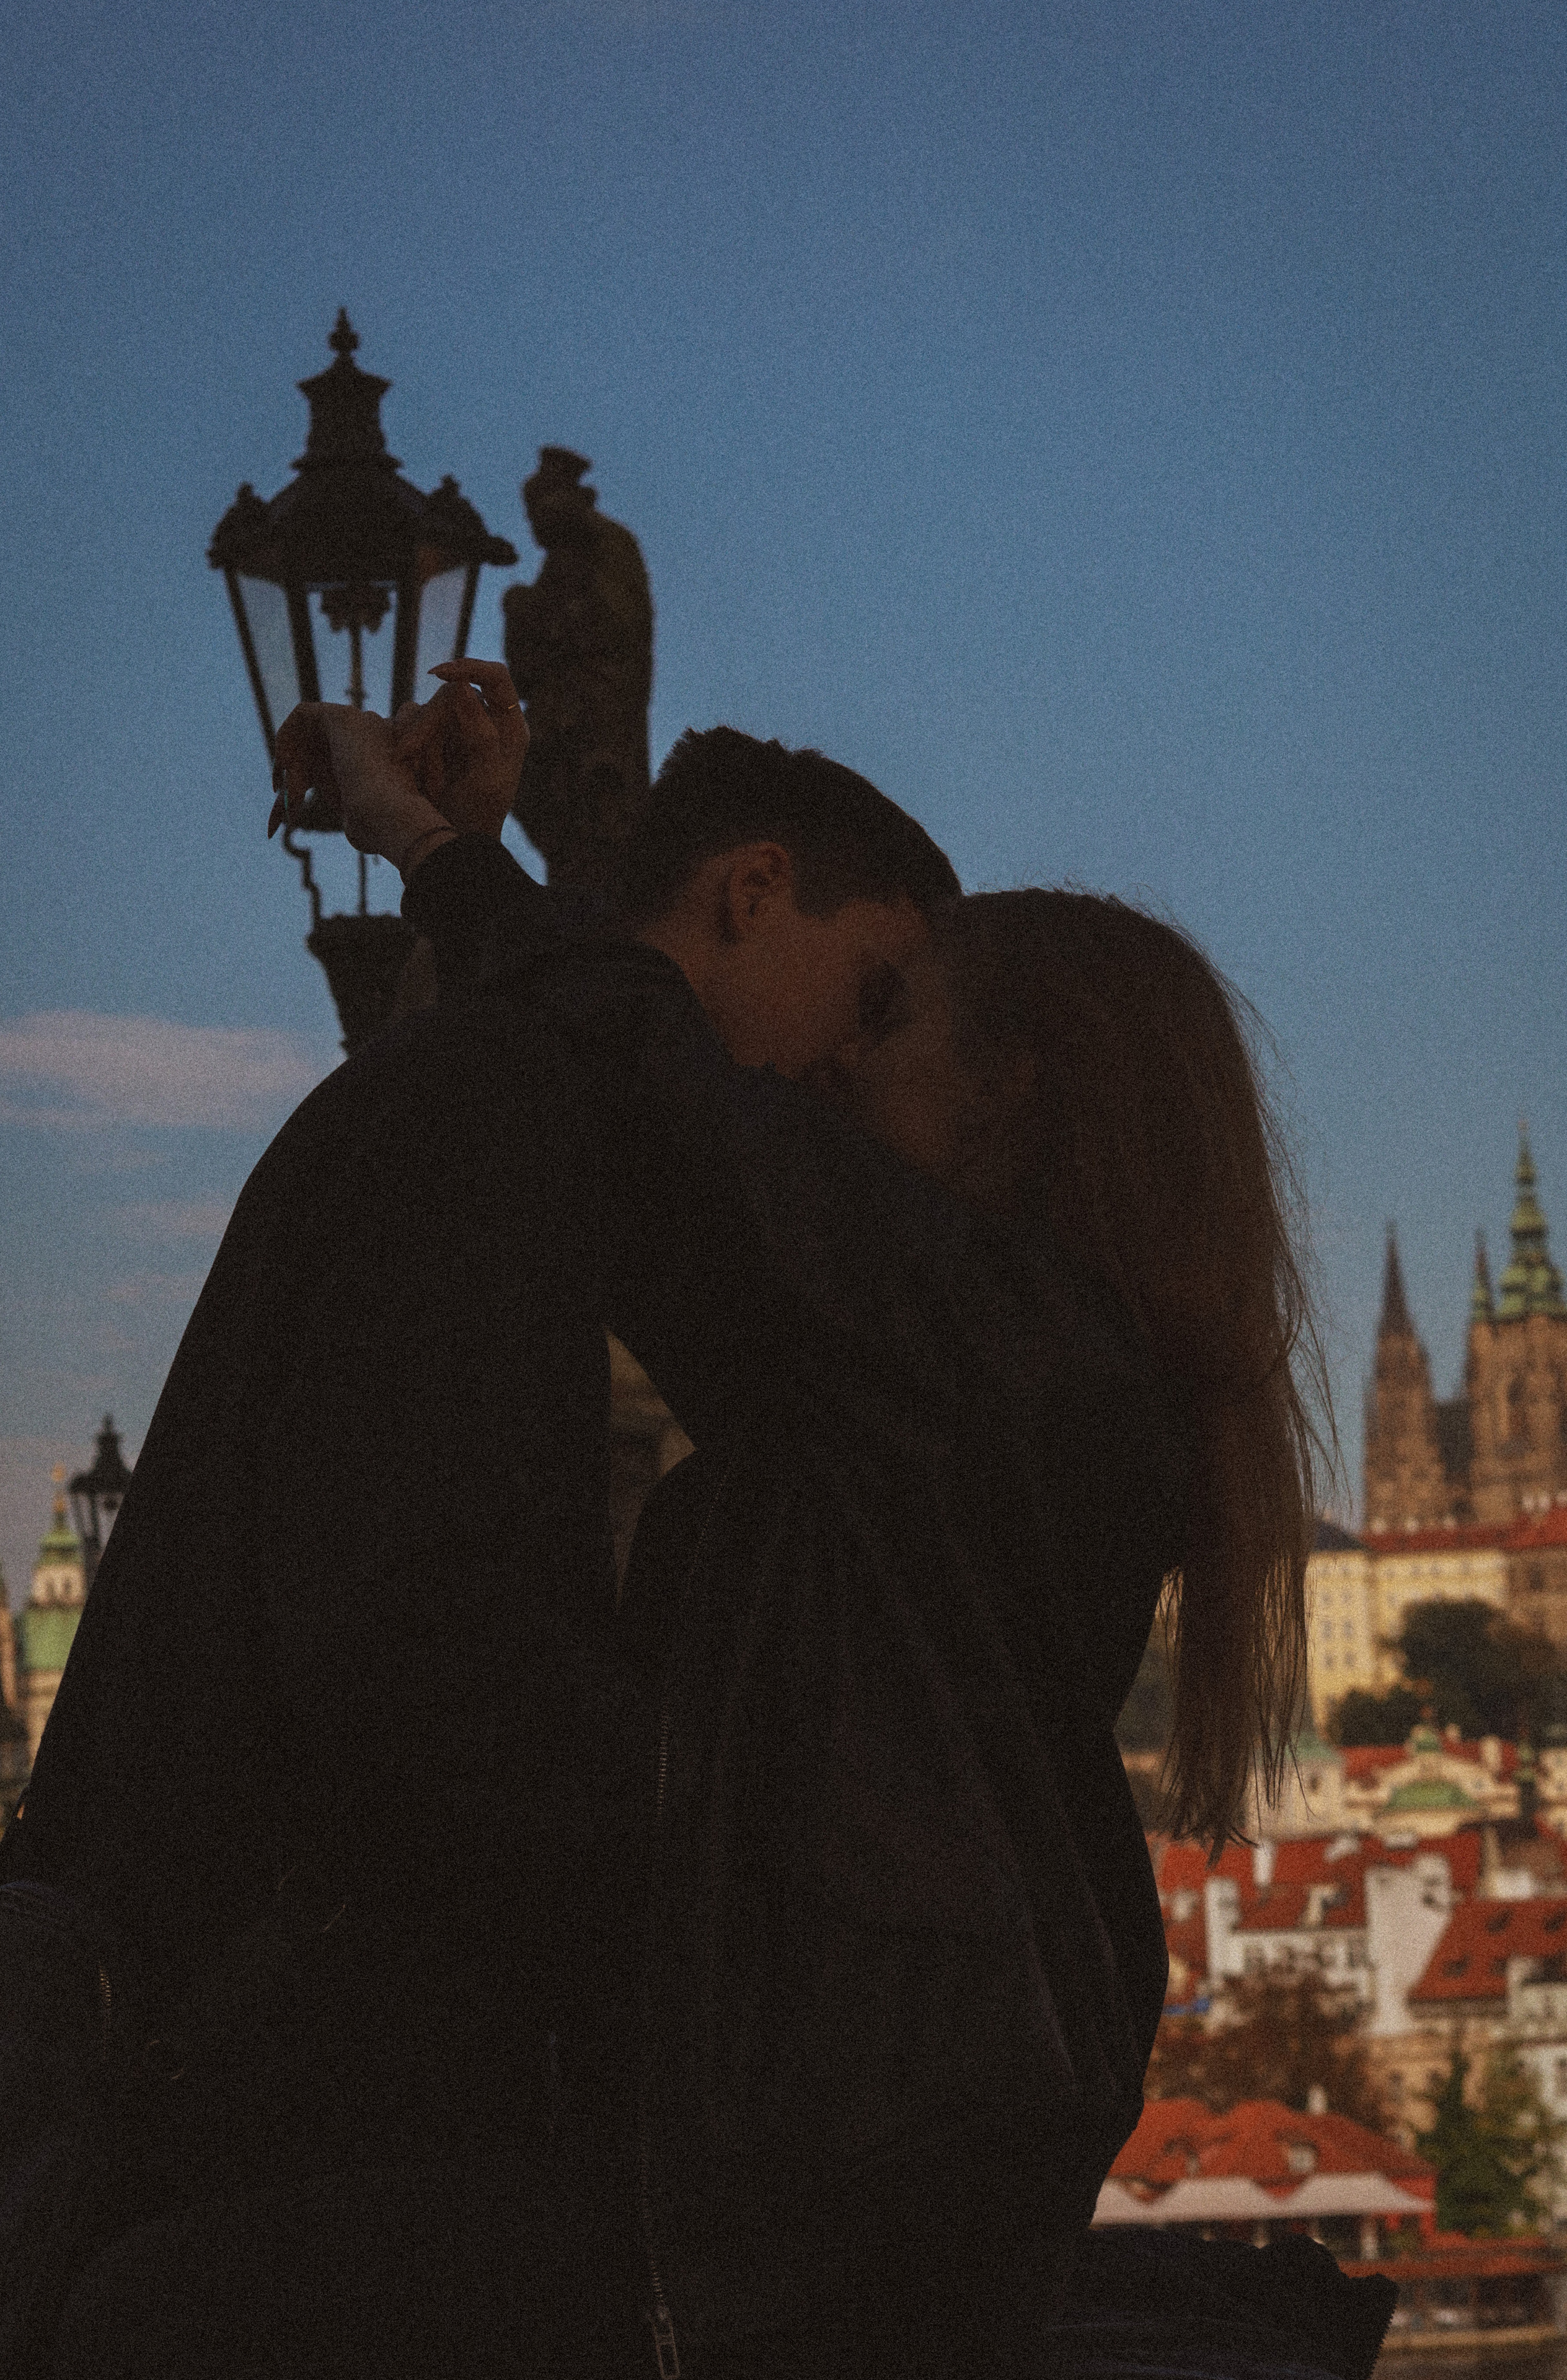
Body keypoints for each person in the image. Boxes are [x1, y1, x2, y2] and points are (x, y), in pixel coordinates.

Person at [259, 671, 1379, 2380]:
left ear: (1015, 1088)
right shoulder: (984, 1369)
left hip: (842, 2186)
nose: (843, 1068)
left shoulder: (1011, 1359)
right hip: (882, 2155)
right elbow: (697, 1192)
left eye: (893, 1020)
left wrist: (427, 843)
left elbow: (682, 1121)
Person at [0, 700, 957, 2379]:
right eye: (871, 992)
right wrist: (727, 1872)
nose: (853, 1069)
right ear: (752, 886)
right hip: (287, 2088)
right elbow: (423, 1640)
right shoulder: (499, 1107)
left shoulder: (507, 1095)